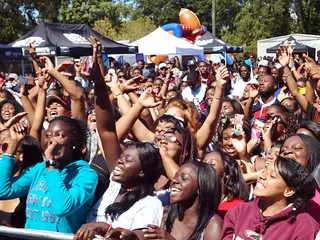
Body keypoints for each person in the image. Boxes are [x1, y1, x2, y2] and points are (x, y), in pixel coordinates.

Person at [74, 54, 164, 240]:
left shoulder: (149, 203)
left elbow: (138, 237)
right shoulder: (115, 185)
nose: (119, 162)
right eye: (121, 158)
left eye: (128, 160)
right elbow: (106, 130)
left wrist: (104, 228)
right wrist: (100, 84)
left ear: (141, 172)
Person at [0, 116, 98, 234]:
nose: (52, 141)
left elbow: (63, 207)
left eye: (60, 135)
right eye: (48, 135)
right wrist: (13, 144)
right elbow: (3, 191)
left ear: (75, 143)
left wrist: (51, 165)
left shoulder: (86, 175)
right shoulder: (39, 169)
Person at [221, 157, 319, 239]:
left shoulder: (305, 228)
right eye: (264, 170)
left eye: (272, 176)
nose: (262, 176)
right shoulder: (239, 212)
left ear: (289, 191)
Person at [142, 161, 223, 240]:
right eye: (175, 176)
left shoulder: (213, 225)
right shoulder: (165, 215)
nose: (174, 181)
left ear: (201, 188)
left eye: (184, 178)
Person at [203, 150, 248, 218]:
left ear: (226, 173)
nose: (204, 167)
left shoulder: (237, 208)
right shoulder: (196, 202)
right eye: (203, 163)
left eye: (211, 164)